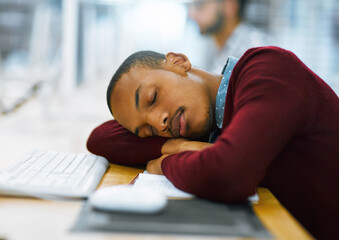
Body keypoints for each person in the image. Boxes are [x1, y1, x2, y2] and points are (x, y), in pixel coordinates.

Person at [87, 46, 339, 240]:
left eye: (152, 98)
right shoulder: (201, 128)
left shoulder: (266, 69)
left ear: (178, 62)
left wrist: (166, 163)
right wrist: (177, 146)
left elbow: (228, 174)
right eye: (148, 131)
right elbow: (100, 138)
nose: (160, 123)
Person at [188, 0, 274, 73]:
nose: (191, 14)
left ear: (229, 6)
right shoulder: (217, 49)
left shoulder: (254, 51)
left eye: (200, 5)